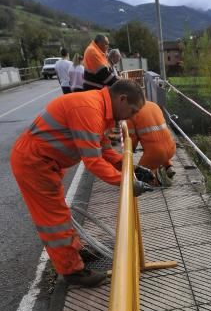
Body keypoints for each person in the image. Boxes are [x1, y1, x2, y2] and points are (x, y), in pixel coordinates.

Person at [10, 80, 147, 288]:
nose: (134, 116)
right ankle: (72, 271)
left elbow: (105, 151)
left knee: (60, 213)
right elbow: (92, 160)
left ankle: (74, 250)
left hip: (44, 161)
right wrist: (124, 182)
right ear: (122, 99)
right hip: (34, 162)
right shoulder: (89, 110)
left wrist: (130, 168)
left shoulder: (100, 110)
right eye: (133, 110)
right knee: (53, 219)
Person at [127, 100, 176, 186]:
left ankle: (159, 180)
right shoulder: (154, 105)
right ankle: (168, 166)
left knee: (137, 175)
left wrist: (129, 151)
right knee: (161, 145)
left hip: (155, 154)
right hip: (172, 148)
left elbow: (131, 140)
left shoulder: (131, 112)